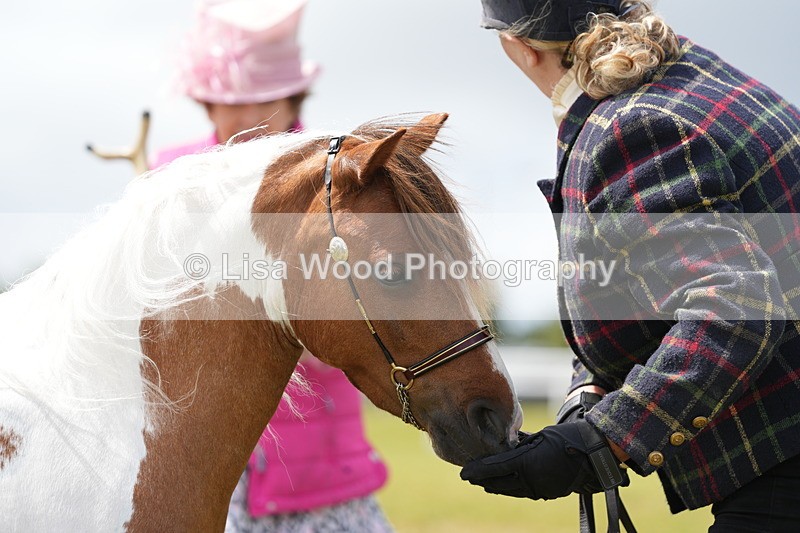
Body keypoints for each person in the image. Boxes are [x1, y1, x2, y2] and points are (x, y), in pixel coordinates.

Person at [460, 1, 800, 531]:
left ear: (518, 47)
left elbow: (736, 306)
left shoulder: (631, 127)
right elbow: (639, 278)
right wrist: (588, 392)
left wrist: (606, 439)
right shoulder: (700, 75)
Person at [152, 2, 392, 532]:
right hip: (198, 453)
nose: (247, 118)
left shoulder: (337, 179)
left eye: (264, 99)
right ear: (206, 102)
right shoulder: (172, 177)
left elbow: (355, 322)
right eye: (229, 101)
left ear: (292, 98)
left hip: (314, 466)